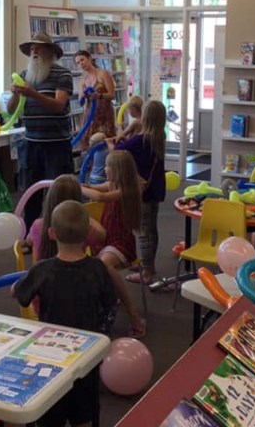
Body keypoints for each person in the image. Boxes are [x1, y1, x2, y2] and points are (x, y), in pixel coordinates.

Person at [12, 200, 118, 427]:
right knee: (85, 415)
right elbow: (110, 303)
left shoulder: (42, 270)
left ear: (51, 233)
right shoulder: (98, 268)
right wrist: (102, 332)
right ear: (88, 234)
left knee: (50, 413)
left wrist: (21, 284)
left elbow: (19, 293)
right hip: (85, 355)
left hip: (50, 358)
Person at [7, 32, 75, 231]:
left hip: (56, 143)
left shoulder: (62, 74)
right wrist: (15, 95)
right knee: (31, 191)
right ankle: (29, 233)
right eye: (31, 49)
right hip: (32, 142)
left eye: (38, 47)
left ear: (50, 52)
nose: (34, 51)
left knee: (58, 191)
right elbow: (12, 110)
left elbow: (58, 105)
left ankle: (60, 233)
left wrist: (32, 94)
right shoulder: (24, 76)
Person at [82, 150, 147, 338]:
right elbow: (93, 187)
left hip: (121, 244)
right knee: (93, 261)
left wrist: (79, 189)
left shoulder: (128, 189)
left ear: (118, 170)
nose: (105, 169)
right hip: (107, 240)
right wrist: (77, 184)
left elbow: (100, 197)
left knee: (104, 263)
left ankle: (134, 315)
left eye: (108, 166)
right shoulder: (112, 184)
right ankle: (106, 299)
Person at [116, 100, 166, 286]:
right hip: (156, 189)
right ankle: (149, 266)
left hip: (142, 192)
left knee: (143, 231)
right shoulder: (160, 137)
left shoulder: (139, 140)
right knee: (152, 228)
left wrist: (120, 137)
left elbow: (117, 152)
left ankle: (146, 272)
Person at [25, 174, 106, 261]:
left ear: (50, 198)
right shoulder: (83, 229)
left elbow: (28, 241)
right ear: (78, 200)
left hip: (43, 273)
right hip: (75, 273)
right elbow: (103, 234)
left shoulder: (37, 225)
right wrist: (84, 216)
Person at [74, 49, 117, 150]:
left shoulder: (103, 74)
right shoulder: (82, 81)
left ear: (89, 58)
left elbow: (112, 95)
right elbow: (80, 102)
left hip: (105, 116)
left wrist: (99, 95)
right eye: (78, 63)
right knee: (89, 143)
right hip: (90, 117)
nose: (81, 64)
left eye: (82, 60)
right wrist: (82, 97)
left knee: (104, 143)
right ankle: (91, 165)